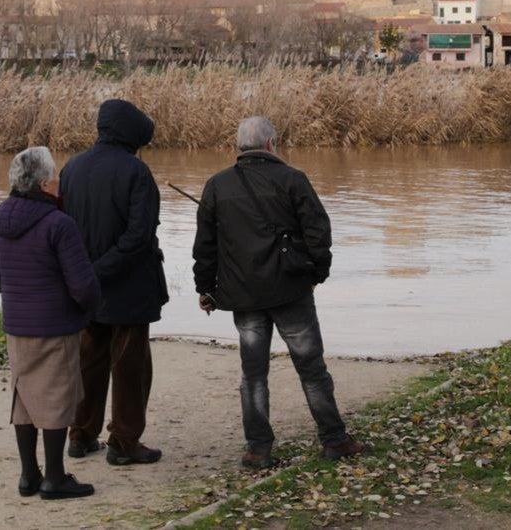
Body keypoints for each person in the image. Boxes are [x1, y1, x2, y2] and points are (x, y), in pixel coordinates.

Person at [191, 116, 365, 470]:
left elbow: (205, 247)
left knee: (253, 374)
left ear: (237, 146)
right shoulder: (292, 180)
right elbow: (318, 232)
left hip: (244, 296)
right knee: (312, 368)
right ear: (272, 143)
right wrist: (317, 274)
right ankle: (334, 440)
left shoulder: (216, 186)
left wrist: (205, 289)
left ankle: (258, 449)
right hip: (290, 290)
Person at [0, 146, 101, 500]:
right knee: (55, 397)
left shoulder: (3, 214)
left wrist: (21, 295)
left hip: (17, 325)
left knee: (24, 398)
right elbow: (82, 286)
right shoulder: (58, 223)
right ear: (45, 182)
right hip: (55, 324)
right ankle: (54, 477)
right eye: (56, 175)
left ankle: (28, 476)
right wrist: (90, 307)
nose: (59, 180)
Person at [61, 99, 168, 465]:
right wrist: (102, 269)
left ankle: (80, 434)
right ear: (132, 135)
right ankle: (123, 441)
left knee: (88, 360)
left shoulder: (71, 168)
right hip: (128, 287)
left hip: (86, 288)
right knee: (130, 366)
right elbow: (139, 236)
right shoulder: (136, 173)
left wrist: (83, 273)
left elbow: (63, 227)